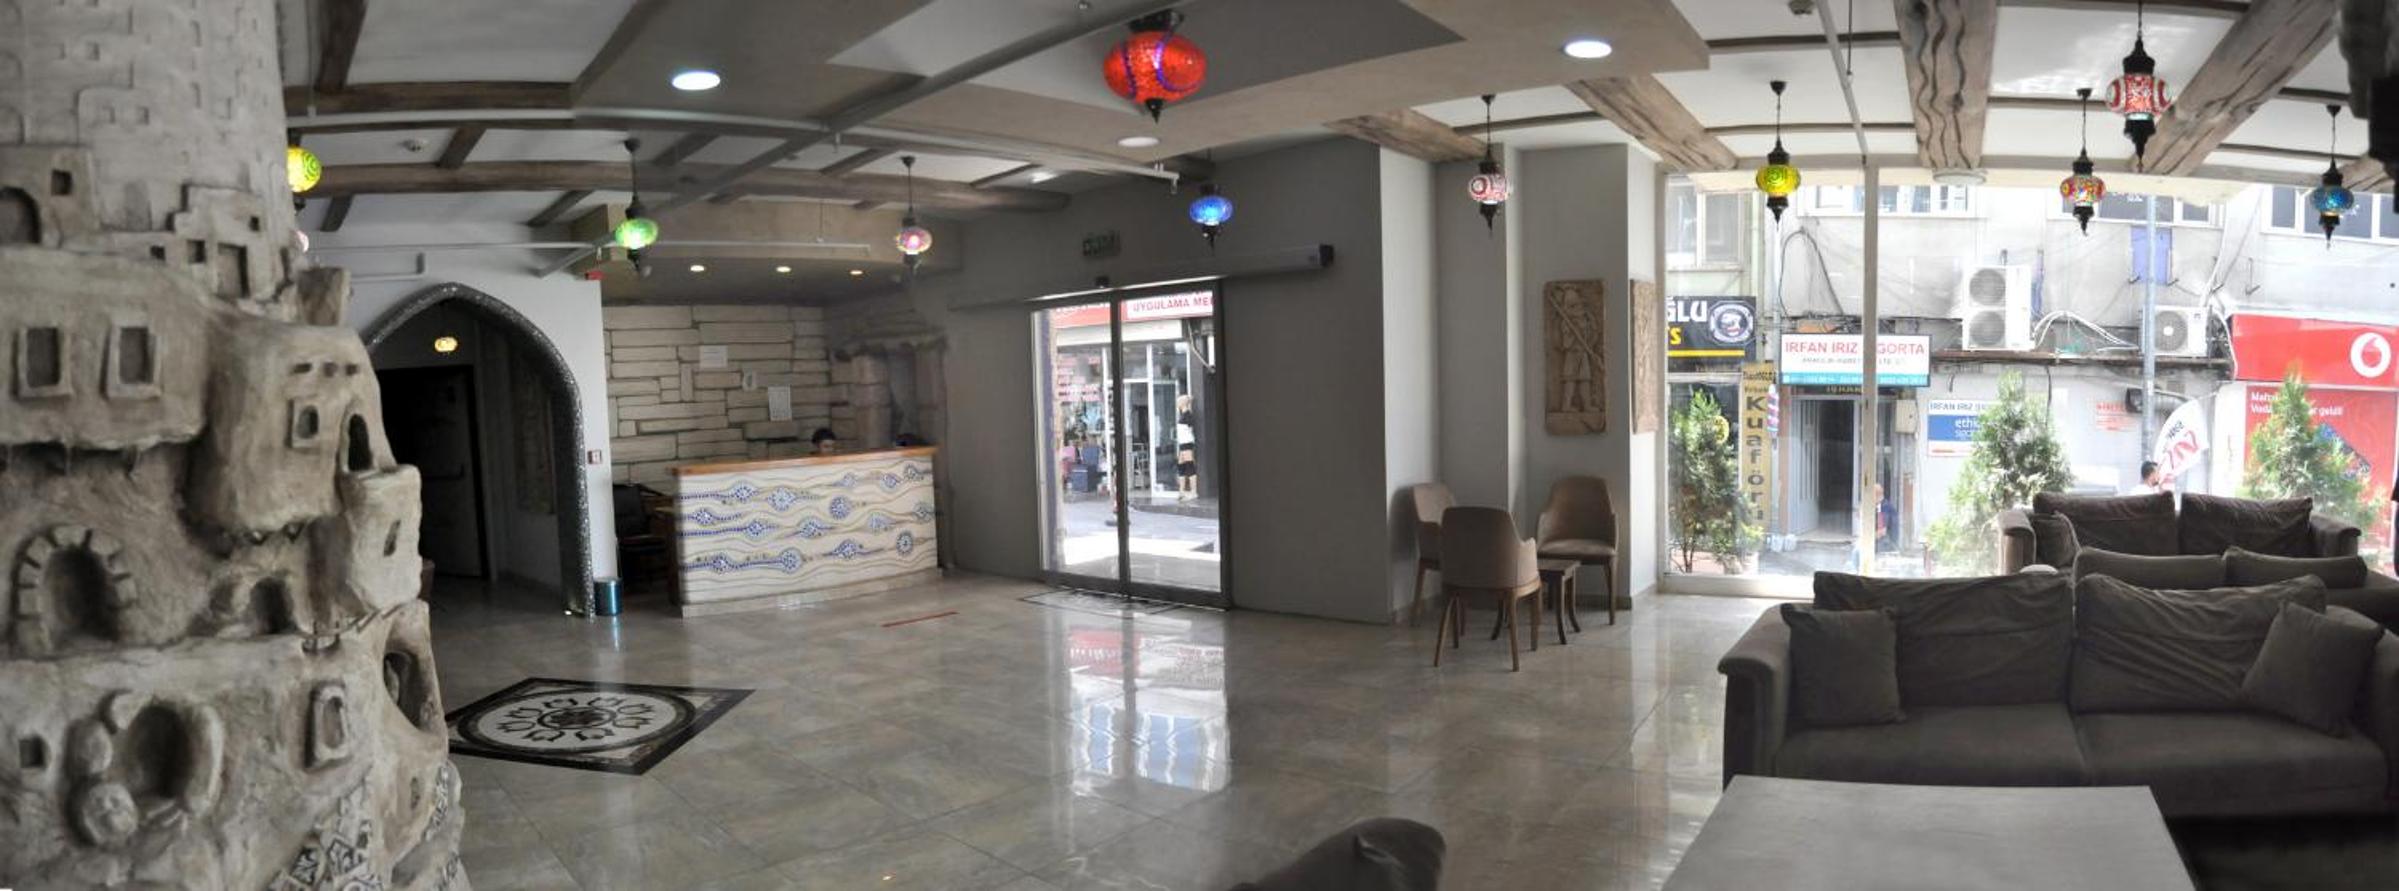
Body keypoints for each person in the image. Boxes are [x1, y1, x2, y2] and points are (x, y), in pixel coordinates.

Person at [1175, 394, 1199, 502]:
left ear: (1182, 403)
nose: (1177, 404)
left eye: (1178, 402)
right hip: (1183, 443)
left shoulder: (1187, 415)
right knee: (1181, 465)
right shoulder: (1183, 414)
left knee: (1189, 465)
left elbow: (1189, 429)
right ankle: (1182, 491)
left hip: (1186, 443)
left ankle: (1194, 492)